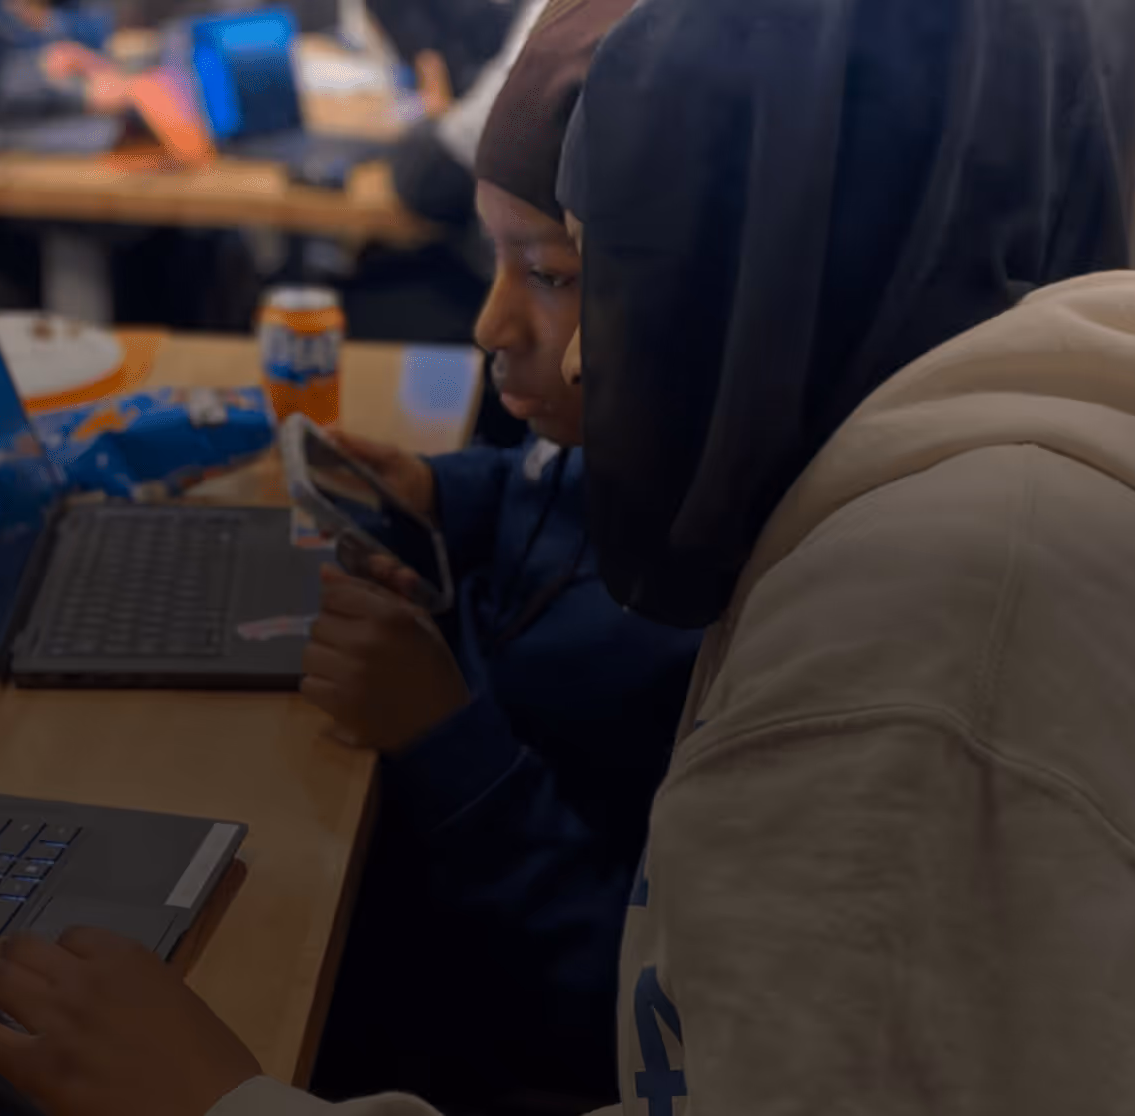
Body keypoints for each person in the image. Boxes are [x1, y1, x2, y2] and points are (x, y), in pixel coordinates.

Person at [0, 1, 1135, 1115]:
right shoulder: (950, 474)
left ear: (754, 274)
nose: (567, 346)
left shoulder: (927, 661)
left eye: (587, 273)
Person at [299, 1, 695, 1107]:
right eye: (495, 262)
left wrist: (443, 735)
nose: (489, 324)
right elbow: (540, 502)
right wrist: (442, 492)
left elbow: (629, 998)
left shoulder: (724, 588)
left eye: (551, 274)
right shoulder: (610, 431)